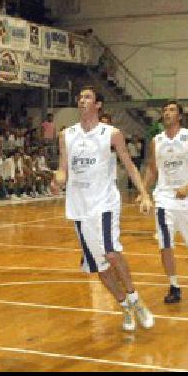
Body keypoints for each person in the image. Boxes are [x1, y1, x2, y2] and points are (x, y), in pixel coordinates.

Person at [50, 86, 155, 332]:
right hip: (78, 207)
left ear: (98, 105)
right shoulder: (67, 135)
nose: (82, 100)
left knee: (110, 252)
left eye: (87, 97)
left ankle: (135, 299)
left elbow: (129, 164)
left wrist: (143, 193)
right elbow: (63, 167)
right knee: (101, 267)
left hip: (105, 202)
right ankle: (124, 306)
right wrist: (57, 180)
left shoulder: (111, 133)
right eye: (80, 97)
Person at [143, 101, 188, 304]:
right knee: (165, 243)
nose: (167, 113)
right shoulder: (157, 140)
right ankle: (174, 286)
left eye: (171, 110)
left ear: (179, 116)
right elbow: (152, 169)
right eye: (164, 110)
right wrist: (144, 191)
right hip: (164, 197)